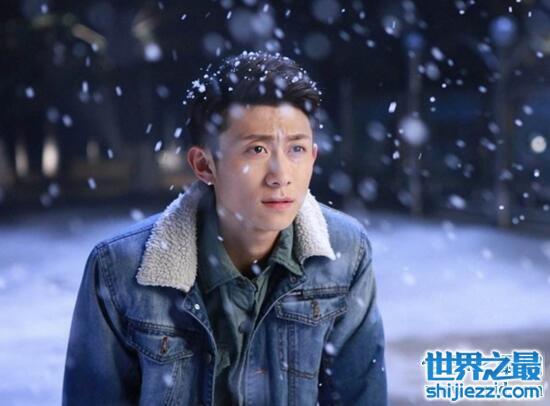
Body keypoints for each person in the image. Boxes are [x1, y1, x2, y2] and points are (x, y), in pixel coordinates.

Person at [62, 51, 387, 405]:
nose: (280, 176)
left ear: (313, 157)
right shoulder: (120, 268)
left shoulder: (345, 251)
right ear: (204, 165)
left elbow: (360, 396)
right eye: (257, 149)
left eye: (296, 148)